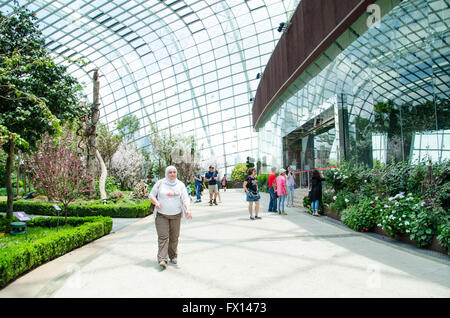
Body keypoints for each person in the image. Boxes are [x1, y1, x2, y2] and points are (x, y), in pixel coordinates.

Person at [150, 166, 192, 269]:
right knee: (163, 237)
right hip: (161, 215)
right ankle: (162, 259)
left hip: (176, 215)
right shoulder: (160, 183)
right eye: (170, 172)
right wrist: (156, 203)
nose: (172, 174)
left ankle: (173, 256)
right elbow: (151, 195)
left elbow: (185, 198)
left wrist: (188, 210)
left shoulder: (180, 185)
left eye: (174, 172)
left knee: (174, 237)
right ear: (166, 173)